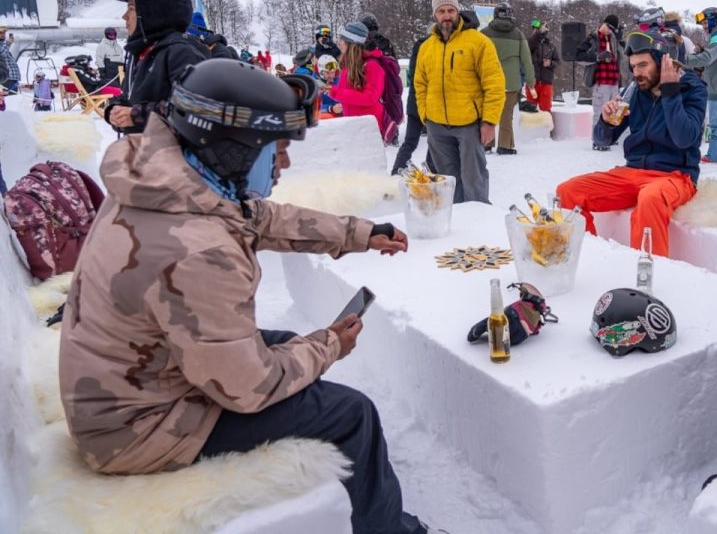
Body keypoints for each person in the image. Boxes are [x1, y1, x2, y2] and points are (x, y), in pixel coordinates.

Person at [59, 58, 438, 534]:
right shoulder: (197, 250)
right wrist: (328, 346)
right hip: (137, 428)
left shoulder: (168, 183)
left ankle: (359, 494)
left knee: (284, 345)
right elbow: (248, 388)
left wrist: (360, 233)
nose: (285, 164)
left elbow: (260, 218)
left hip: (128, 384)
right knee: (353, 412)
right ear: (235, 150)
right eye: (276, 150)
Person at [556, 30, 706, 258]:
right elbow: (602, 140)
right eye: (634, 67)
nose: (637, 73)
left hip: (676, 176)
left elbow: (684, 137)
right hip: (632, 172)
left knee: (651, 199)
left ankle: (647, 276)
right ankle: (587, 258)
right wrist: (605, 121)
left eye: (643, 65)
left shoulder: (691, 88)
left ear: (662, 60)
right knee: (568, 192)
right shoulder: (635, 90)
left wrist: (670, 92)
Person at [413, 0, 505, 204]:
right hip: (437, 125)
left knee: (474, 178)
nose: (446, 16)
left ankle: (479, 220)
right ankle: (457, 222)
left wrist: (489, 121)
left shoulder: (479, 42)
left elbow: (494, 83)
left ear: (457, 12)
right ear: (435, 14)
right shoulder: (427, 47)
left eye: (450, 10)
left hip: (469, 124)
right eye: (441, 11)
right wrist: (425, 114)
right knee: (447, 180)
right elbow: (420, 84)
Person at [104, 0, 208, 134]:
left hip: (173, 155)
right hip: (144, 152)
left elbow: (195, 111)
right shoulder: (140, 53)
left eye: (131, 8)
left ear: (152, 13)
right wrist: (115, 110)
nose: (124, 16)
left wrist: (136, 115)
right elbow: (130, 98)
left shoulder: (181, 52)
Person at [481, 3, 536, 155]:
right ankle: (504, 146)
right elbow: (527, 61)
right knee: (506, 114)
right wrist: (531, 81)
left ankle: (486, 143)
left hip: (488, 80)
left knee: (488, 112)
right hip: (511, 82)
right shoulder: (518, 34)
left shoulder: (484, 33)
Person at [328, 22, 390, 140]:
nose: (339, 43)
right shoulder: (347, 66)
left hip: (370, 129)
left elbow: (370, 97)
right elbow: (349, 96)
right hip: (353, 127)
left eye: (342, 39)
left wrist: (335, 92)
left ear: (351, 43)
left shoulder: (372, 66)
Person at [686, 7, 717, 163]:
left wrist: (686, 60)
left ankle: (716, 154)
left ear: (713, 20)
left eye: (704, 22)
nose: (703, 26)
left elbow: (709, 57)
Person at [577, 15, 624, 148]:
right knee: (600, 111)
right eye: (609, 27)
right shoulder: (592, 38)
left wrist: (620, 40)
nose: (610, 30)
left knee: (615, 111)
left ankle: (611, 137)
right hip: (601, 80)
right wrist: (598, 57)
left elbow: (623, 57)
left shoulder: (614, 39)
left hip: (614, 80)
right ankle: (598, 140)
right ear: (604, 23)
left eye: (613, 29)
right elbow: (579, 56)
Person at [391, 32, 433, 176]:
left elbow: (412, 75)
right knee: (436, 144)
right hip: (430, 104)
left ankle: (396, 171)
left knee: (410, 142)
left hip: (414, 103)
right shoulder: (435, 48)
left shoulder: (419, 46)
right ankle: (430, 174)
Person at [526, 19, 560, 113]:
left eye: (538, 29)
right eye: (535, 29)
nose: (535, 31)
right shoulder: (530, 43)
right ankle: (531, 128)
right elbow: (529, 44)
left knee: (546, 110)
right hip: (532, 82)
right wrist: (538, 32)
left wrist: (550, 63)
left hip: (546, 83)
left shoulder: (551, 46)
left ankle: (546, 128)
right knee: (530, 111)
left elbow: (558, 62)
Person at [0, 25, 19, 93]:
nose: (2, 34)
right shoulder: (4, 45)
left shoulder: (3, 44)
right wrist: (8, 43)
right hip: (5, 79)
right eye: (0, 32)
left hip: (10, 80)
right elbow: (1, 54)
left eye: (4, 32)